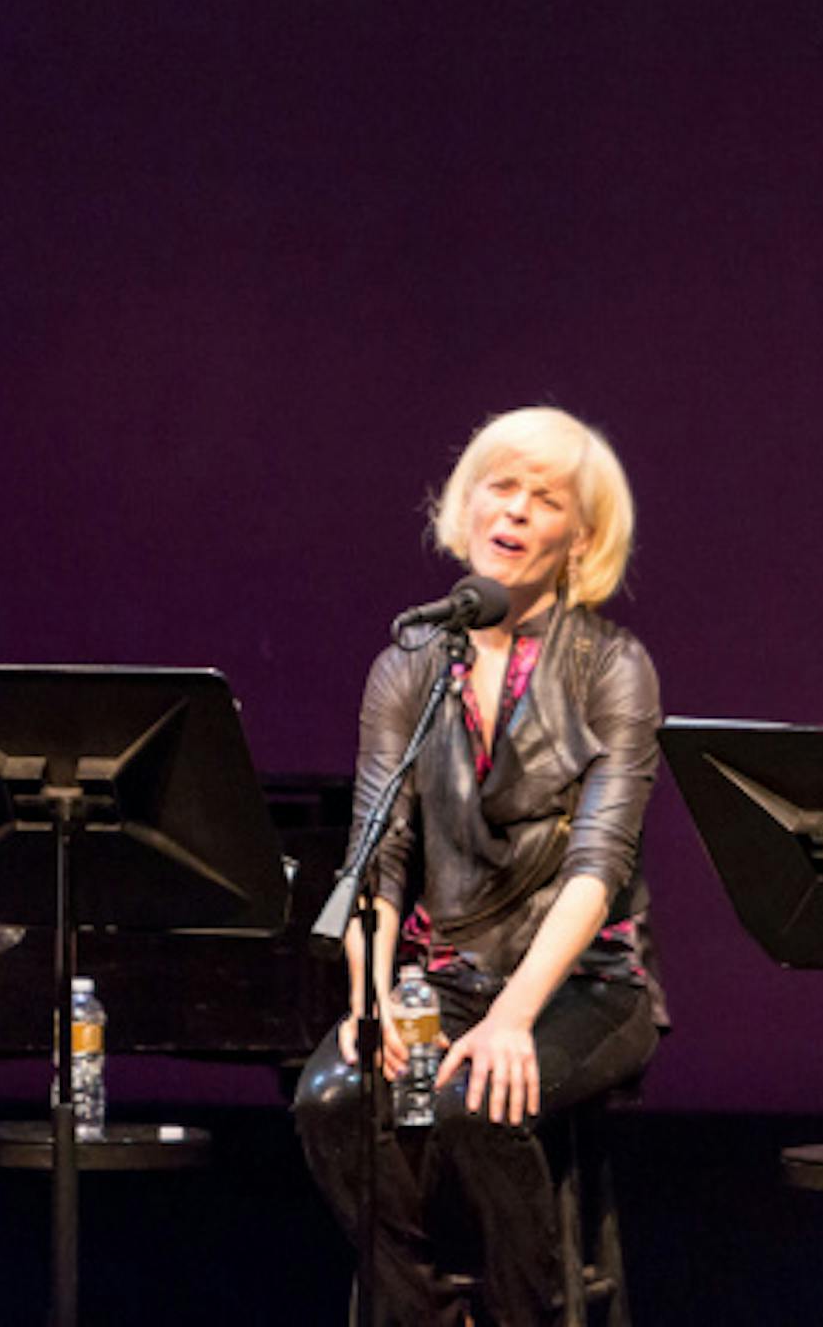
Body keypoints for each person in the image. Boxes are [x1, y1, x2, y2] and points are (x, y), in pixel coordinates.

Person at [295, 406, 666, 1326]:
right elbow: (376, 856)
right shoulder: (409, 665)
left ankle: (526, 1314)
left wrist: (512, 1016)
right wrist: (372, 998)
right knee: (332, 1097)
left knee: (478, 1101)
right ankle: (420, 1311)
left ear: (579, 537)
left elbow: (598, 865)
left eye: (544, 500)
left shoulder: (614, 667)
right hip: (447, 977)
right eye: (501, 487)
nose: (514, 512)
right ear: (466, 505)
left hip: (587, 984)